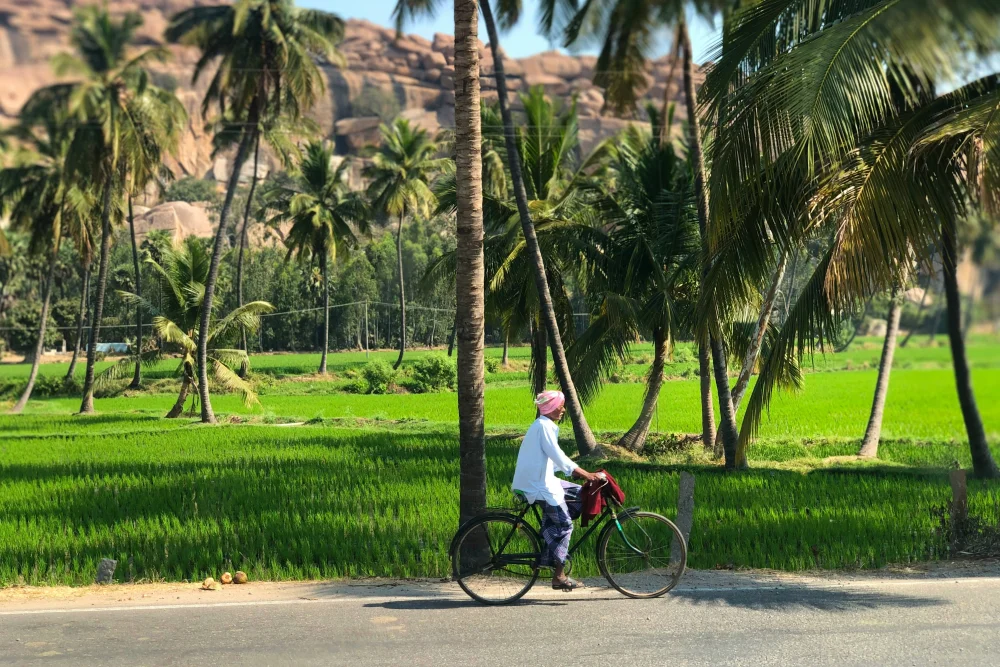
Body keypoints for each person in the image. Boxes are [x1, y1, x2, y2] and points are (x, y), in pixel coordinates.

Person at [511, 390, 601, 591]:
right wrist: (584, 472)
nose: (563, 409)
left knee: (579, 494)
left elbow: (551, 460)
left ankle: (549, 550)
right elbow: (557, 454)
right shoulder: (544, 426)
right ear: (551, 407)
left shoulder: (545, 426)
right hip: (537, 485)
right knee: (565, 525)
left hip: (542, 480)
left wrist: (575, 471)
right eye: (560, 405)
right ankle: (559, 576)